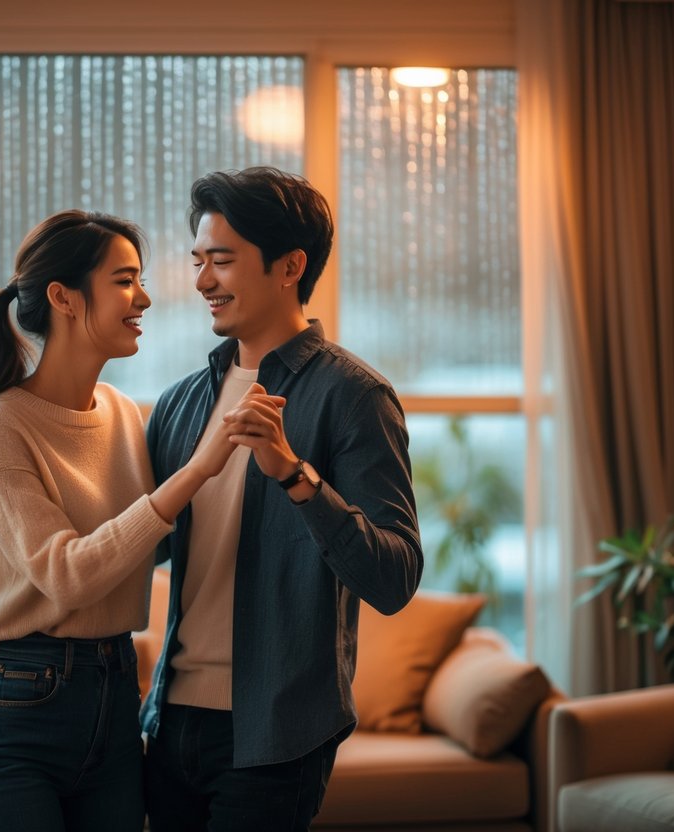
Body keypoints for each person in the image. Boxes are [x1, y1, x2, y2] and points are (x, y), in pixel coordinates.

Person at [0, 209, 267, 832]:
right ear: (64, 298)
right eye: (125, 280)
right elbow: (70, 575)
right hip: (22, 715)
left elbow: (136, 549)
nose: (146, 298)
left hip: (118, 701)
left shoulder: (124, 413)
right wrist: (200, 469)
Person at [140, 167, 424, 831]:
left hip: (277, 739)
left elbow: (392, 577)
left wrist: (295, 473)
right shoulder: (181, 403)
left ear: (289, 266)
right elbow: (139, 547)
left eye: (222, 261)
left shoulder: (354, 397)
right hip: (169, 722)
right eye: (197, 261)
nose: (203, 281)